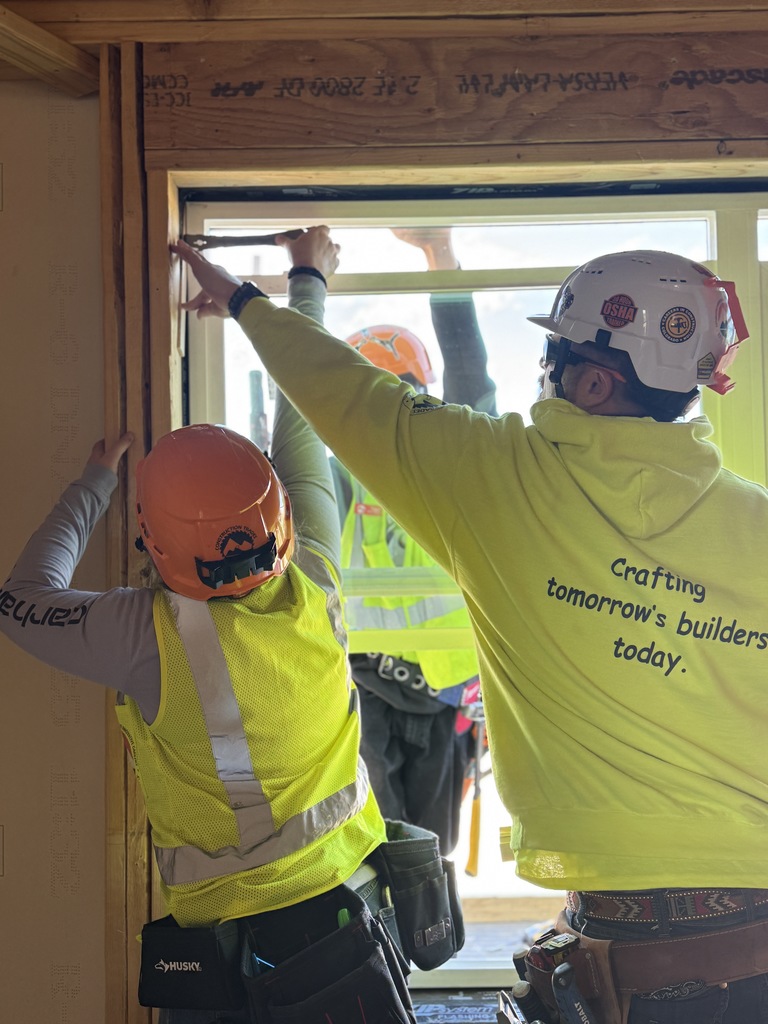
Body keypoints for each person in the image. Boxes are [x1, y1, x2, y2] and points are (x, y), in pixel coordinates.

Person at [173, 238, 768, 1024]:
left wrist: (250, 302)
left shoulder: (497, 477)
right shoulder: (757, 522)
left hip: (645, 965)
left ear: (593, 380)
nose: (542, 370)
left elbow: (344, 392)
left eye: (554, 353)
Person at [0, 228, 418, 1024]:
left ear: (154, 545)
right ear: (282, 521)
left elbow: (21, 598)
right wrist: (303, 281)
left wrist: (95, 480)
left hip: (234, 956)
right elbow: (303, 419)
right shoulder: (319, 575)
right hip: (355, 910)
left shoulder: (140, 636)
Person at [334, 227, 496, 855]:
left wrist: (441, 259)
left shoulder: (456, 463)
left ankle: (420, 949)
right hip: (362, 687)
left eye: (403, 391)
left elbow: (470, 371)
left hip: (445, 693)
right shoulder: (332, 477)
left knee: (430, 853)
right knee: (372, 847)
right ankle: (380, 953)